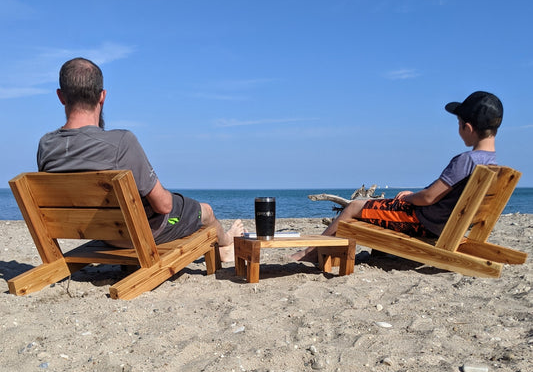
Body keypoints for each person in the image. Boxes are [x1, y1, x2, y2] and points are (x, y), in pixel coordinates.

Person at [37, 57, 243, 261]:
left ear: (61, 97)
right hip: (135, 234)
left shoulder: (46, 145)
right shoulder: (121, 142)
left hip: (99, 232)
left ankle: (225, 241)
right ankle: (225, 243)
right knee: (204, 210)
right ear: (102, 96)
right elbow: (163, 206)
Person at [292, 90, 503, 262]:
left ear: (467, 127)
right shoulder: (493, 164)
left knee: (355, 206)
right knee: (374, 206)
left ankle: (312, 251)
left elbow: (429, 197)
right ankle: (377, 252)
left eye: (458, 124)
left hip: (424, 223)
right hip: (444, 224)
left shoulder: (467, 160)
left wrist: (407, 197)